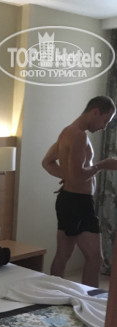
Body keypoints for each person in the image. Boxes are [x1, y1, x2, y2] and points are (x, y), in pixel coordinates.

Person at [42, 95, 117, 287]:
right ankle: (90, 298)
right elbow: (78, 176)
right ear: (95, 112)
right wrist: (103, 165)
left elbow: (47, 162)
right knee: (94, 258)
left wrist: (67, 175)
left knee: (64, 254)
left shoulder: (67, 131)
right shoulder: (78, 136)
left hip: (71, 200)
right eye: (105, 121)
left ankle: (53, 291)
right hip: (77, 202)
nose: (104, 127)